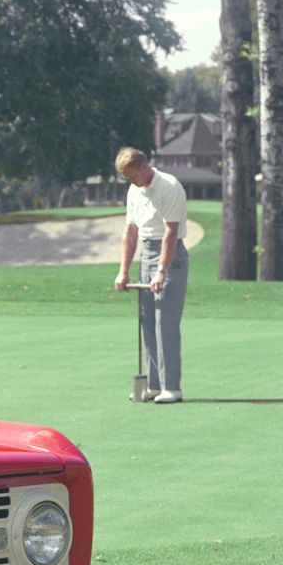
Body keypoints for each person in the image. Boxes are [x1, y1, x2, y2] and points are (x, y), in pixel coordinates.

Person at [112, 146, 188, 403]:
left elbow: (170, 233)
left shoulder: (169, 186)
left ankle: (172, 388)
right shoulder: (135, 190)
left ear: (144, 166)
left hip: (171, 256)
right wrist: (124, 270)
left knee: (164, 322)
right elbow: (130, 233)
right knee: (148, 324)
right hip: (146, 253)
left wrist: (161, 271)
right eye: (129, 180)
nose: (134, 183)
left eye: (135, 176)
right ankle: (154, 385)